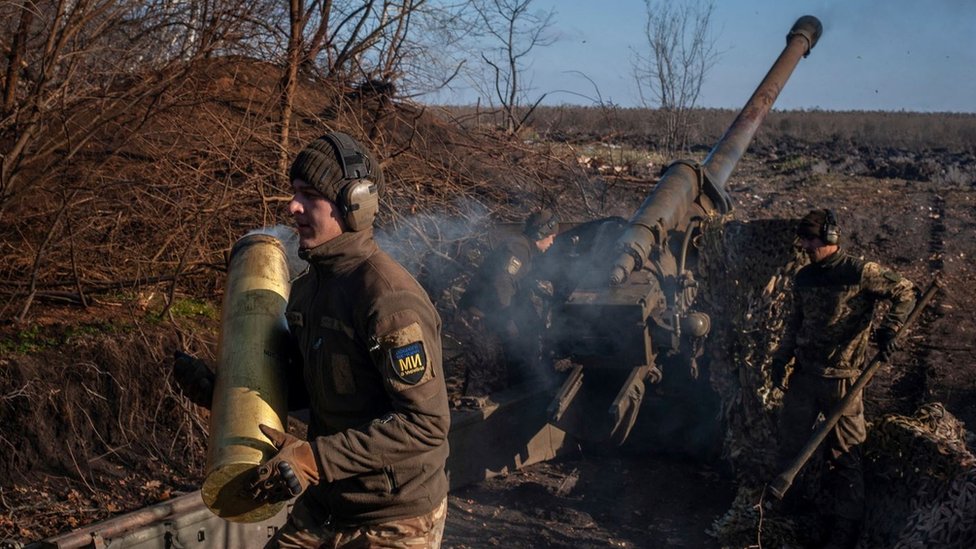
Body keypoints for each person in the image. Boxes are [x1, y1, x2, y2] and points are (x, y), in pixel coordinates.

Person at [174, 131, 450, 548]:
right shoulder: (306, 291)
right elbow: (313, 388)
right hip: (328, 502)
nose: (293, 207)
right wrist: (222, 393)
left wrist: (313, 459)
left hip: (393, 516)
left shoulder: (389, 301)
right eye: (293, 193)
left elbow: (425, 424)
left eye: (309, 195)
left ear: (353, 205)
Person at [770, 208, 916, 549]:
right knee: (790, 447)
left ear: (830, 237)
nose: (806, 246)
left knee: (845, 456)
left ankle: (843, 533)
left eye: (811, 239)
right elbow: (796, 322)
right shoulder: (804, 277)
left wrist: (890, 328)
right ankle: (785, 516)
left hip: (844, 381)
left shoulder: (860, 271)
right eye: (803, 240)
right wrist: (781, 357)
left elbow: (906, 290)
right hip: (805, 377)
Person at [458, 208, 559, 384]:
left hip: (485, 319)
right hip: (479, 319)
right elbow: (502, 282)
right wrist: (509, 321)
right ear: (541, 233)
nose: (552, 241)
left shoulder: (524, 251)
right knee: (487, 382)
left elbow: (516, 287)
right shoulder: (518, 248)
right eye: (551, 236)